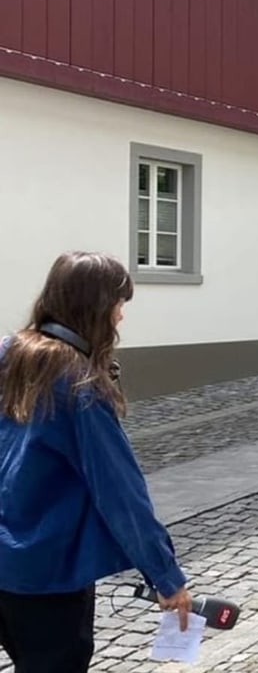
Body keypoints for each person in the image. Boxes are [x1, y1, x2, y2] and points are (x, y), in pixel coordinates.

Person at [0, 252, 192, 673]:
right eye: (118, 304)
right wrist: (166, 577)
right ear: (94, 307)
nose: (121, 317)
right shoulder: (78, 384)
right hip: (44, 570)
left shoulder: (9, 353)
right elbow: (120, 492)